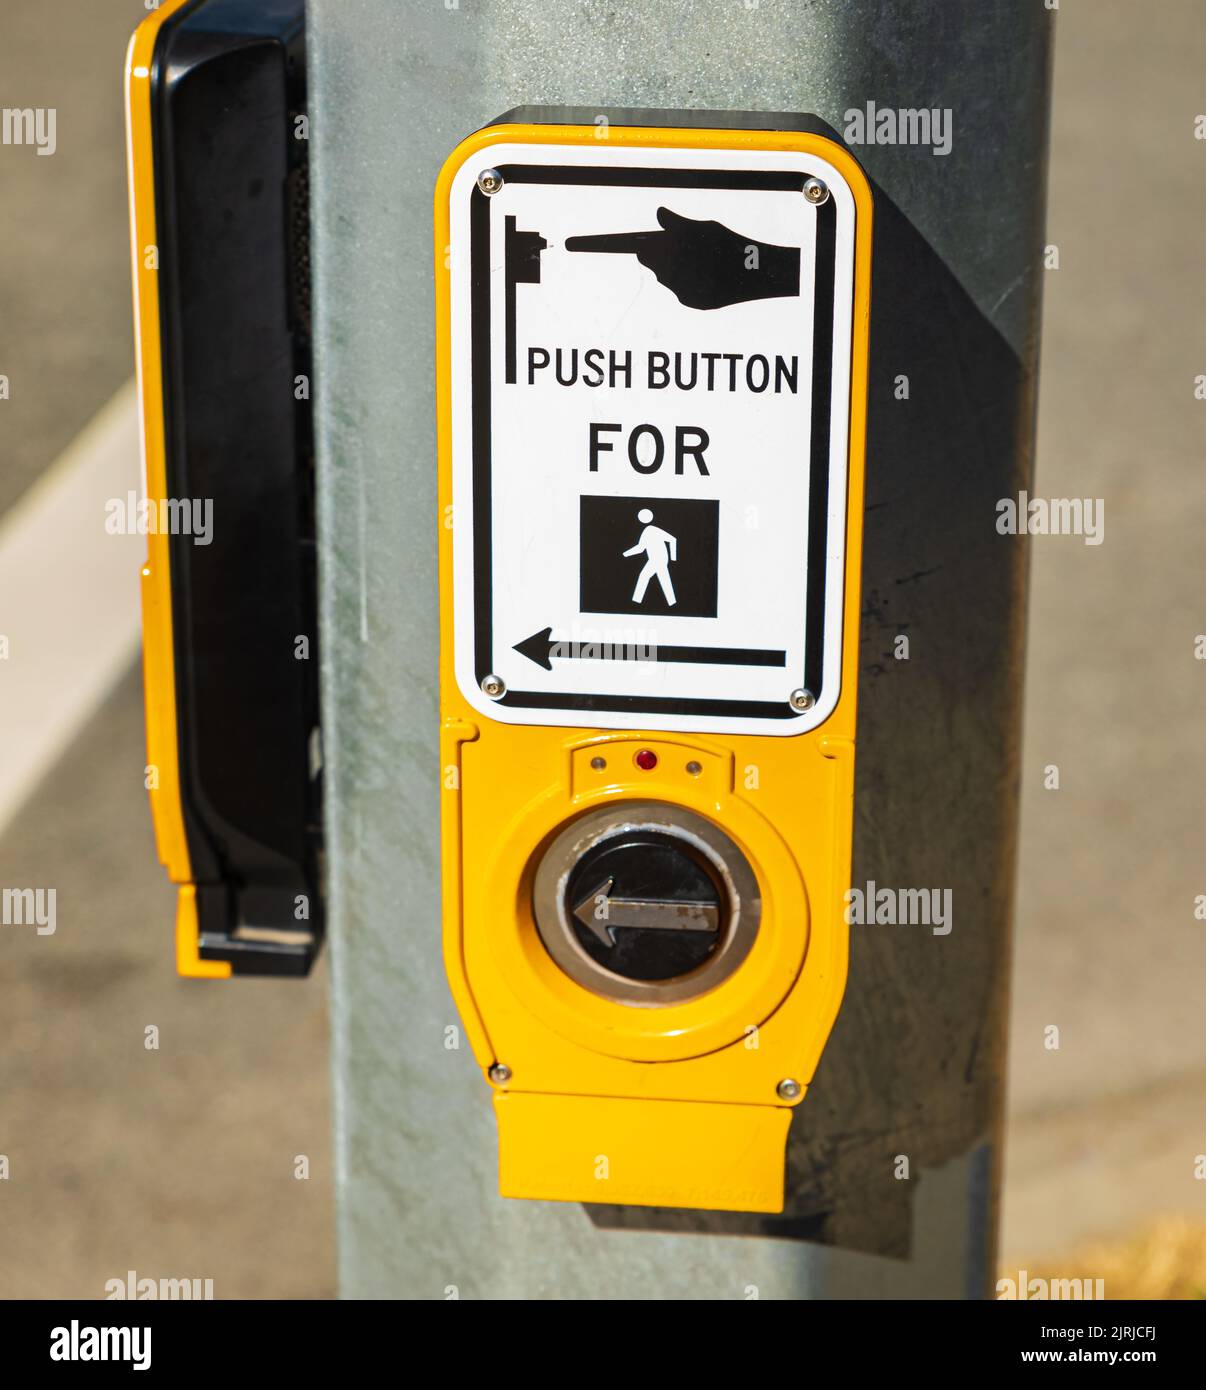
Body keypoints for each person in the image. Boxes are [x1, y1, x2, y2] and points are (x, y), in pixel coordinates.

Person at [623, 508, 677, 605]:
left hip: (658, 560)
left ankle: (636, 601)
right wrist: (626, 554)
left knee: (648, 577)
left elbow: (673, 539)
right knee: (659, 579)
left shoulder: (651, 529)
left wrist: (673, 558)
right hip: (656, 560)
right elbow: (640, 548)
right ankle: (672, 602)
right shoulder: (647, 531)